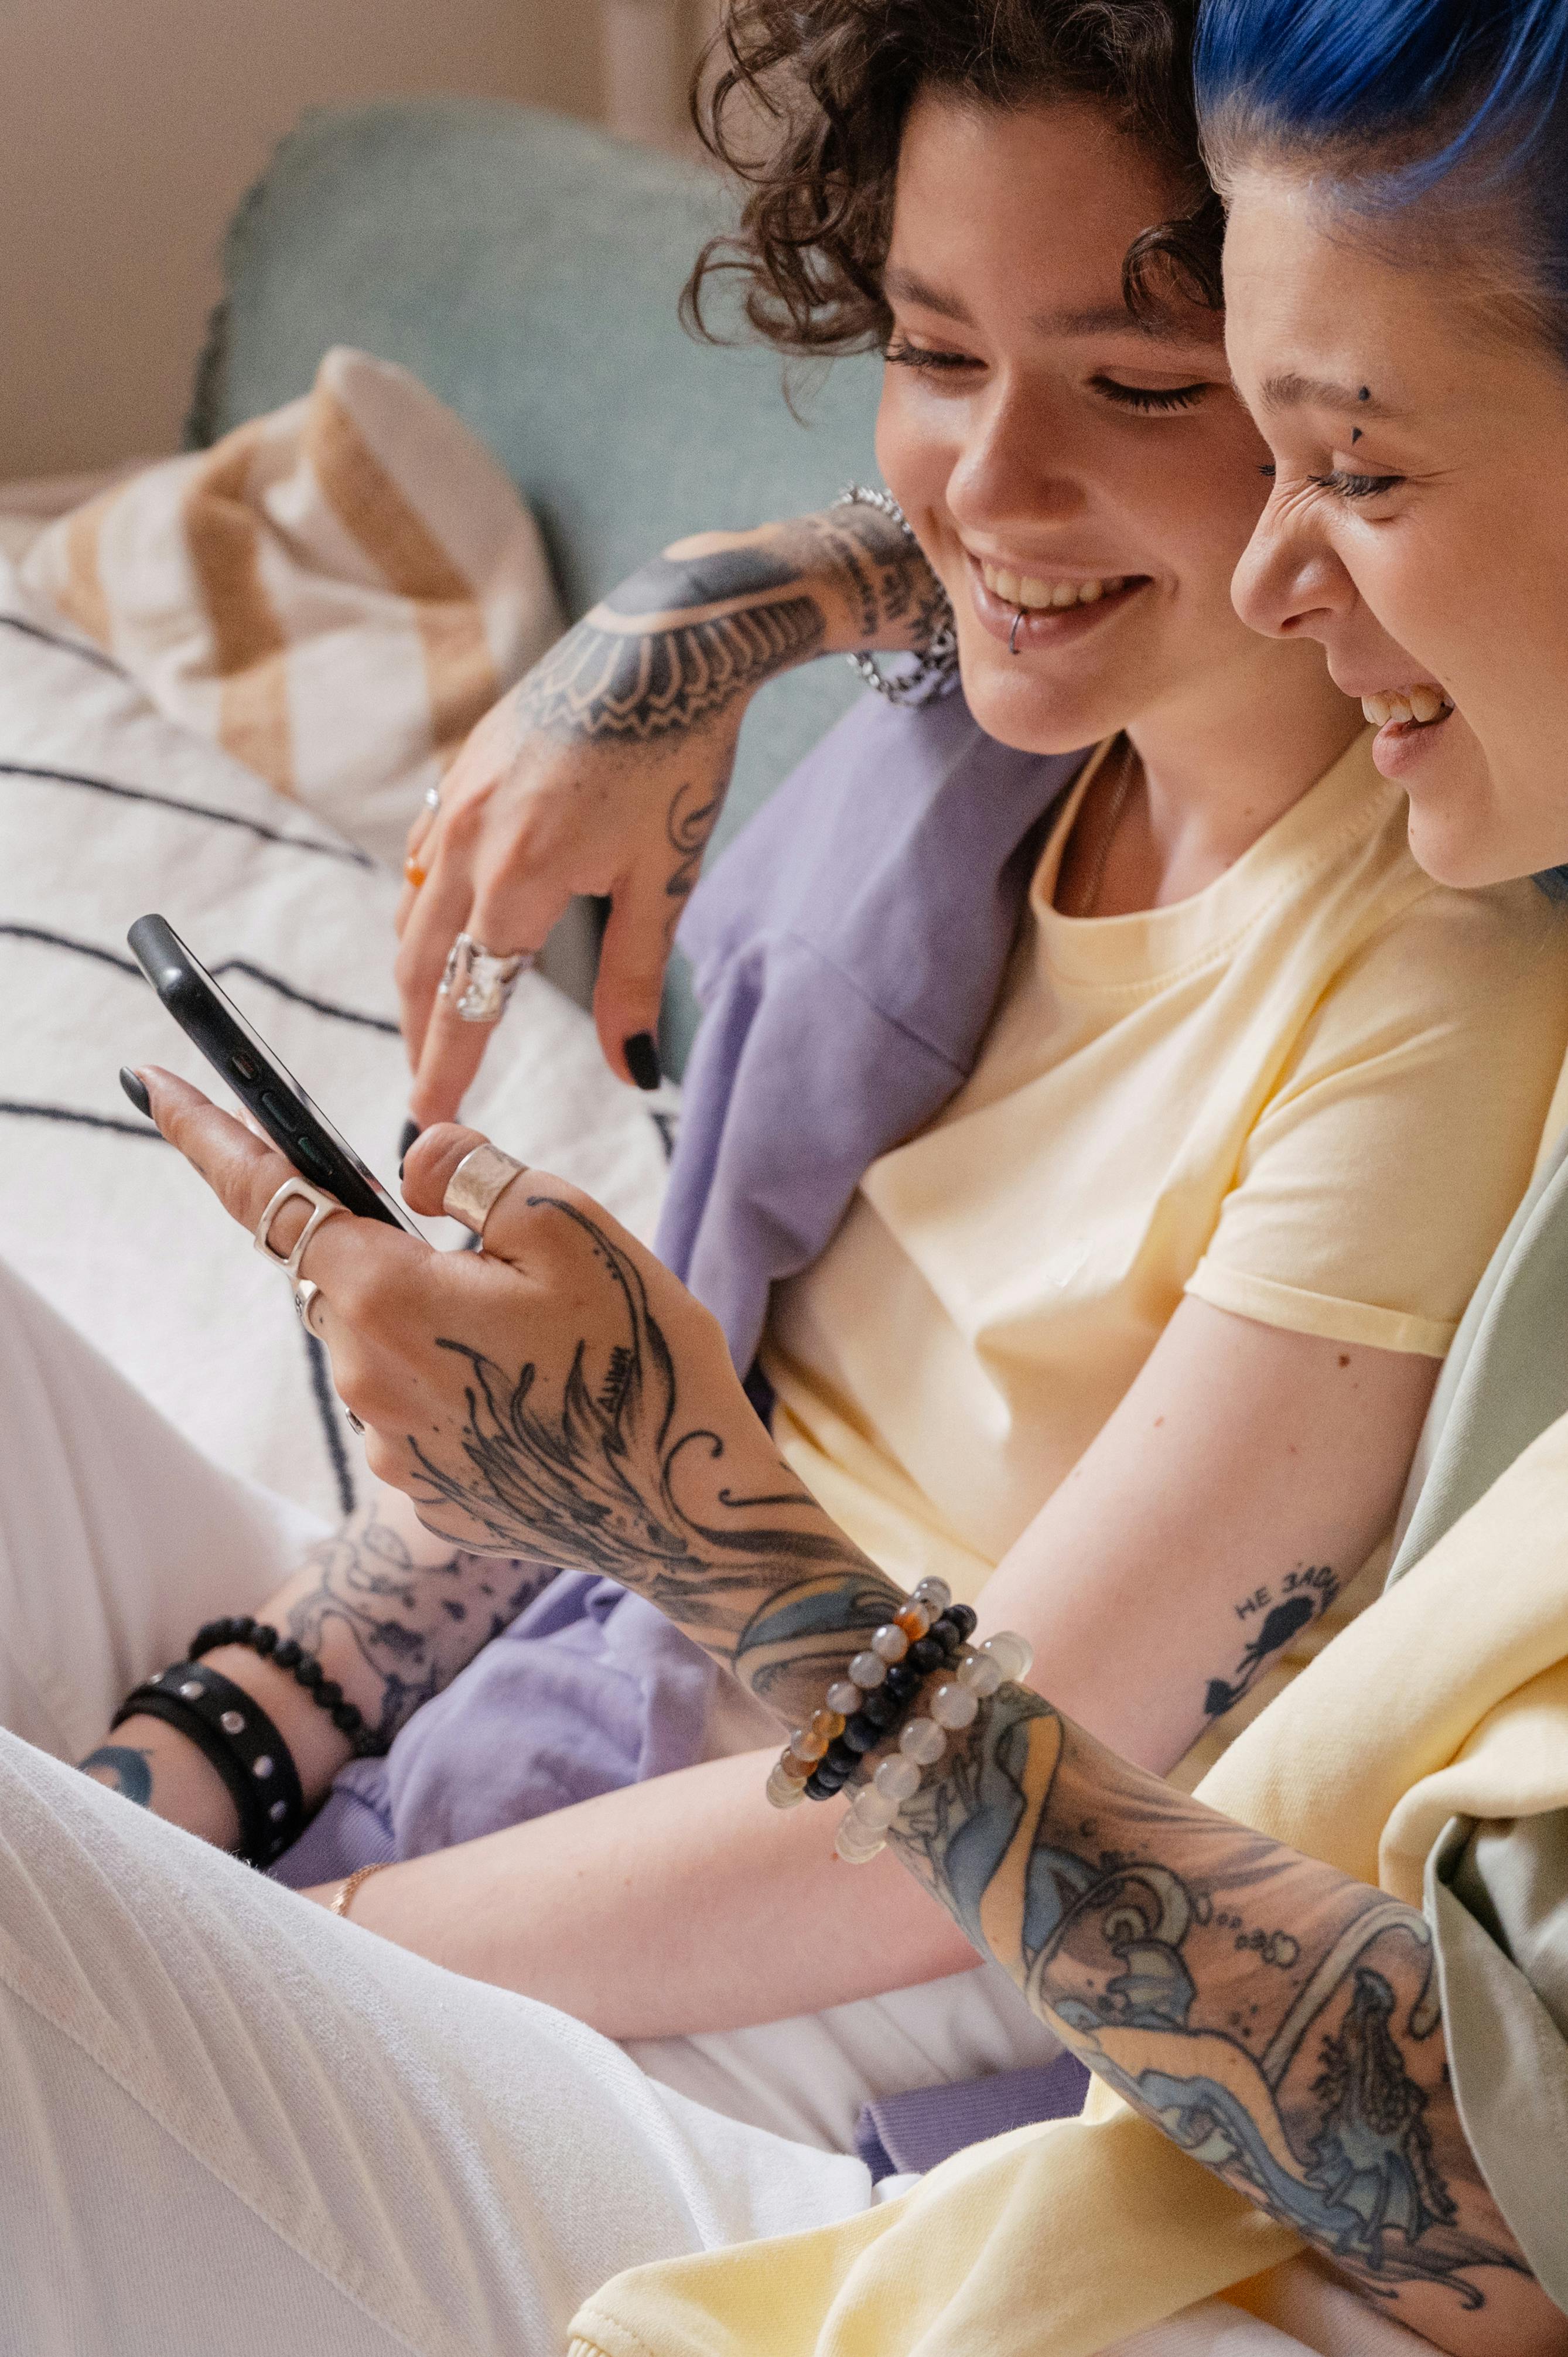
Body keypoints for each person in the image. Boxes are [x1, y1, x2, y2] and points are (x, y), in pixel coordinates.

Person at [7, 3, 1568, 2355]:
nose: (1266, 569)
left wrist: (260, 1951)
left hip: (871, 1913)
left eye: (1262, 436)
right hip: (618, 1661)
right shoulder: (987, 759)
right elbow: (979, 537)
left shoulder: (1436, 971)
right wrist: (256, 1722)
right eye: (928, 352)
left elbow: (1108, 1857)